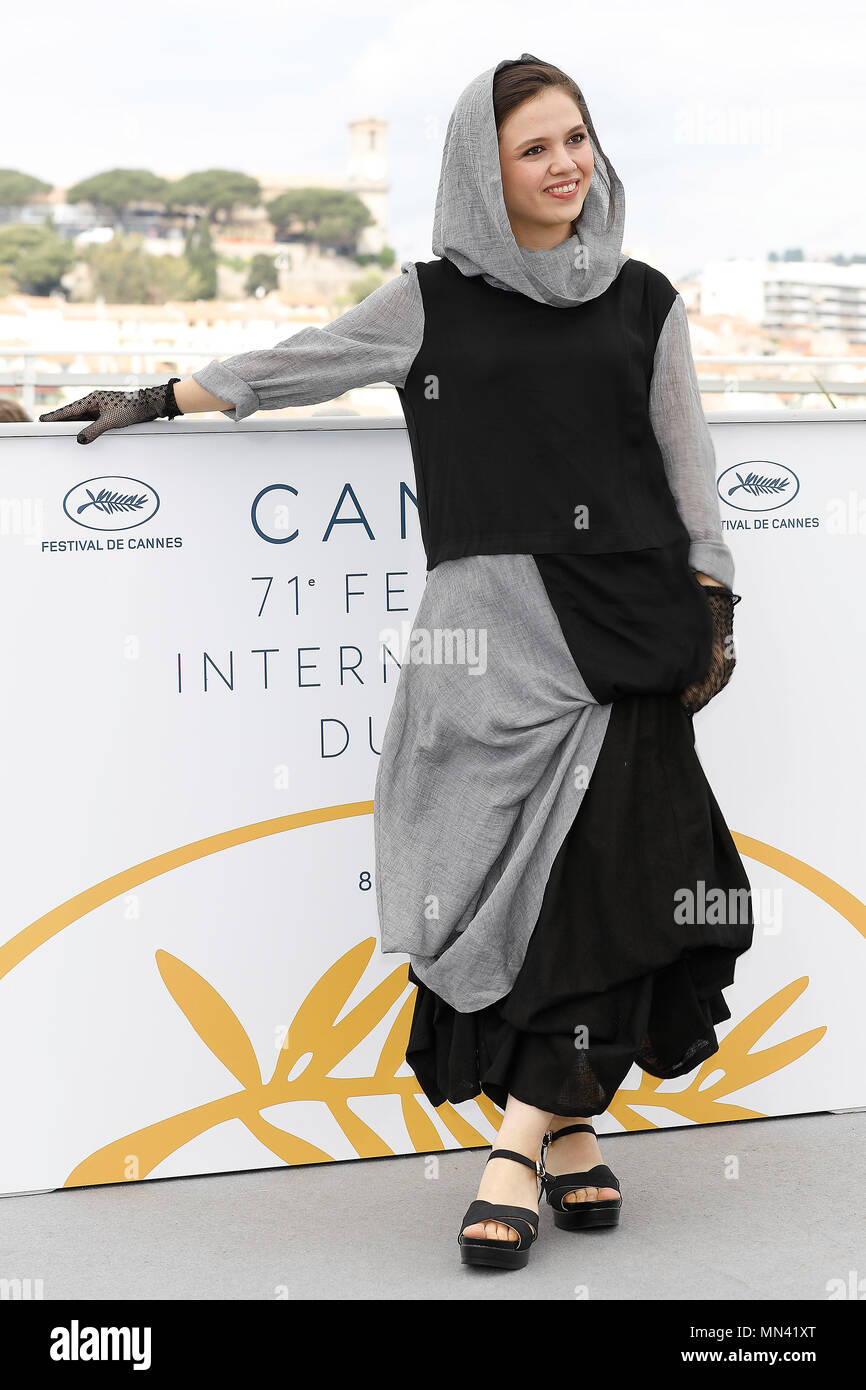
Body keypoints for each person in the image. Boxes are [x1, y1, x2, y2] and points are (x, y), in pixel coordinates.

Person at [40, 52, 753, 1272]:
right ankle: (573, 1135)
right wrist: (156, 396)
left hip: (634, 635)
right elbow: (296, 361)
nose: (564, 164)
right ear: (483, 171)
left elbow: (687, 467)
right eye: (533, 148)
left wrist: (715, 604)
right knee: (508, 899)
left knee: (611, 894)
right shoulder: (431, 298)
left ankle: (515, 1149)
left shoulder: (644, 298)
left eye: (575, 137)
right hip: (496, 653)